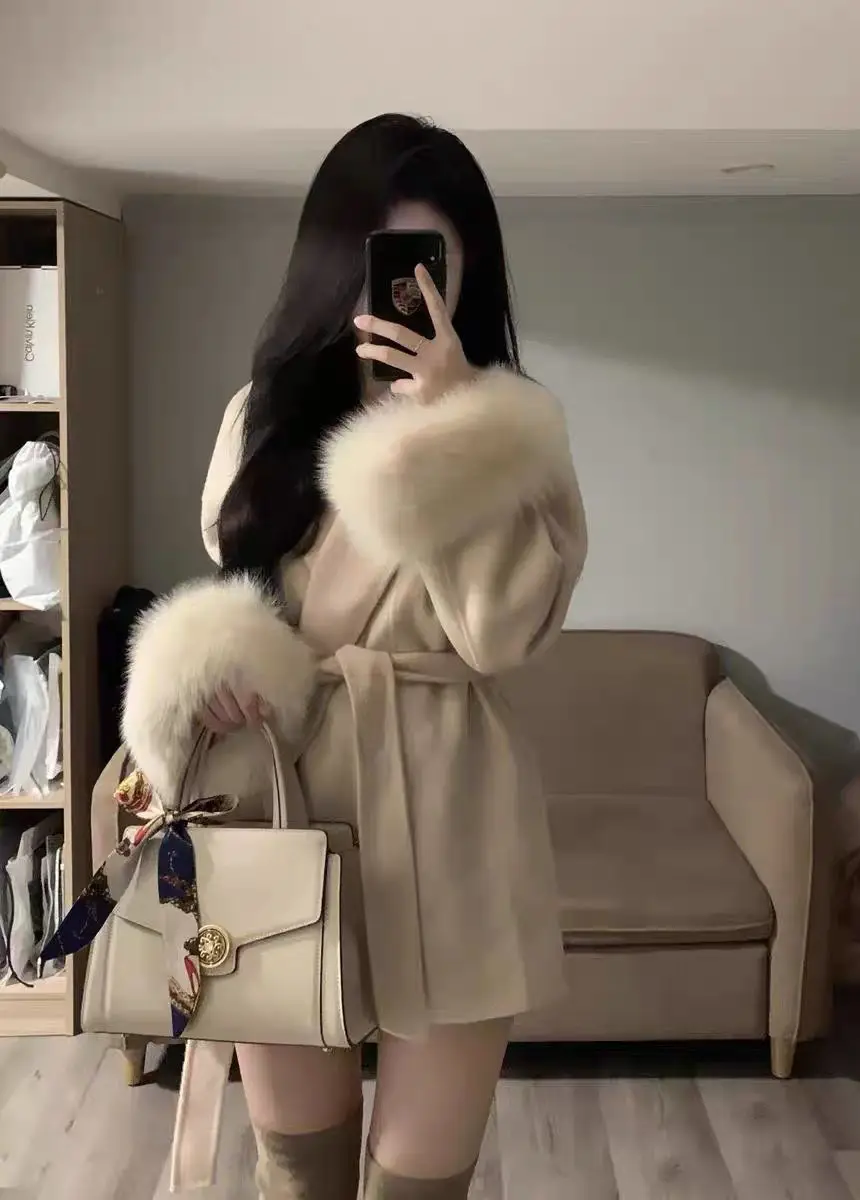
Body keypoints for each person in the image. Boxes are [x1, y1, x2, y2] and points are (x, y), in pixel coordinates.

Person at [124, 113, 587, 1199]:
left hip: (456, 820)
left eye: (432, 265)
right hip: (281, 812)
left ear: (468, 273)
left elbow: (498, 634)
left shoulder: (516, 433)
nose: (406, 293)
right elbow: (243, 592)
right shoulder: (262, 417)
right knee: (298, 1174)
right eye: (382, 262)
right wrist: (222, 668)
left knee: (418, 1184)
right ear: (331, 265)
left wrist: (454, 426)